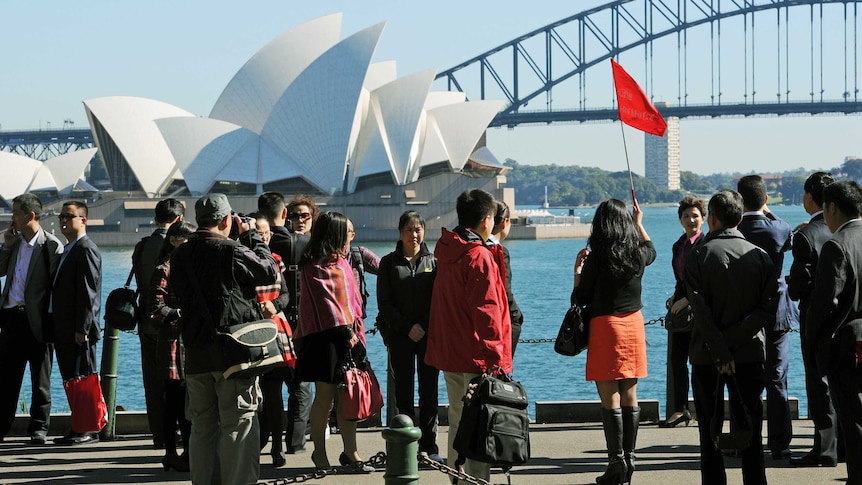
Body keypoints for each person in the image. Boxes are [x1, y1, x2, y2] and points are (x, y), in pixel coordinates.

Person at [169, 194, 279, 485]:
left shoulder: (179, 254)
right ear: (227, 220)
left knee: (202, 426)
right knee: (239, 423)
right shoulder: (232, 250)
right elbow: (269, 274)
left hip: (195, 351)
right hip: (233, 352)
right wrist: (254, 237)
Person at [685, 190, 777, 485]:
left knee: (709, 433)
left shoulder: (698, 255)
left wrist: (721, 350)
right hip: (749, 352)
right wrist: (734, 342)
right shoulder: (761, 257)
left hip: (706, 354)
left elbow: (699, 310)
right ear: (739, 218)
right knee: (750, 427)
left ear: (711, 218)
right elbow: (767, 310)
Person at [425, 189, 512, 484]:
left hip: (449, 351)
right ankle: (475, 479)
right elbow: (487, 312)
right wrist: (495, 358)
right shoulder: (478, 256)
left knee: (458, 418)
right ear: (487, 220)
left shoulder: (447, 250)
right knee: (478, 423)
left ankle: (457, 476)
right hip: (476, 354)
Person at [573, 198, 655, 485]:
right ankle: (630, 458)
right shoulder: (636, 254)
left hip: (605, 327)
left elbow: (581, 299)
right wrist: (639, 224)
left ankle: (615, 462)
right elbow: (651, 250)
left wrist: (577, 274)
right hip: (633, 325)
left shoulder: (597, 258)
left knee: (610, 399)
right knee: (630, 395)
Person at [294, 211, 375, 473]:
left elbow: (350, 304)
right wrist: (346, 331)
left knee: (347, 394)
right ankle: (320, 453)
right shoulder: (313, 266)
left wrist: (353, 334)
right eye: (346, 232)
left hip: (349, 337)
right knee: (325, 397)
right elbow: (325, 308)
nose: (350, 237)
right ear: (334, 234)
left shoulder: (341, 263)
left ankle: (351, 451)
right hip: (324, 340)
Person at [736, 174, 794, 459]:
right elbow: (786, 231)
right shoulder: (779, 229)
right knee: (776, 377)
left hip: (742, 313)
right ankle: (780, 442)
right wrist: (770, 212)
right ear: (766, 199)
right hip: (777, 311)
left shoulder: (734, 231)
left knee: (742, 377)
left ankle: (743, 437)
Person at [808, 180, 862, 485]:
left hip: (847, 347)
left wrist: (814, 345)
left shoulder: (837, 245)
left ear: (831, 208)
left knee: (853, 423)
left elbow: (823, 304)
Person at [376, 210, 441, 463]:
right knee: (403, 393)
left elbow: (438, 300)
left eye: (418, 229)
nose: (414, 235)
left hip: (427, 336)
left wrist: (422, 326)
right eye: (408, 230)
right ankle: (405, 444)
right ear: (400, 232)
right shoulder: (389, 263)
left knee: (429, 392)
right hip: (400, 337)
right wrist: (406, 327)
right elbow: (384, 303)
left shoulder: (434, 262)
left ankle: (429, 446)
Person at [787, 171, 841, 467]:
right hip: (846, 317)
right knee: (842, 382)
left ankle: (824, 448)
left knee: (817, 382)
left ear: (809, 197)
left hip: (815, 318)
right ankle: (845, 444)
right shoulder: (845, 230)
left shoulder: (806, 234)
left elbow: (798, 287)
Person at [0, 194, 64, 445]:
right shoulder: (14, 242)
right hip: (11, 319)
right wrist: (5, 245)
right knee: (6, 379)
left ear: (31, 216)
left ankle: (39, 428)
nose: (11, 217)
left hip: (38, 321)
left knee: (41, 380)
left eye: (15, 213)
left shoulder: (51, 246)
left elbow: (56, 288)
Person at [257, 192, 311, 456]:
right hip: (300, 322)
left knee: (270, 385)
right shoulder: (307, 244)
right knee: (301, 385)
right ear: (285, 214)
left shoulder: (255, 247)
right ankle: (296, 442)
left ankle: (267, 439)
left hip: (265, 324)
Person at [132, 197, 184, 449]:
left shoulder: (142, 246)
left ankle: (159, 435)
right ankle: (180, 432)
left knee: (152, 383)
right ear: (180, 219)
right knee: (177, 381)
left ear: (155, 219)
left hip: (147, 322)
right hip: (174, 327)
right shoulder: (181, 246)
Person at [50, 201, 103, 445]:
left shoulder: (85, 249)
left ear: (83, 220)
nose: (63, 220)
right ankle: (78, 425)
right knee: (72, 379)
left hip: (77, 330)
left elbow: (88, 293)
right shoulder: (69, 248)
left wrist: (82, 329)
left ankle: (89, 429)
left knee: (83, 377)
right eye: (61, 216)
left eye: (69, 216)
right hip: (64, 328)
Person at [149, 221, 196, 472]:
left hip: (188, 340)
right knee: (174, 400)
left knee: (189, 399)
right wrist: (179, 312)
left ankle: (188, 450)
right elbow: (155, 308)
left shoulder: (190, 266)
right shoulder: (163, 268)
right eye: (186, 239)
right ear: (175, 240)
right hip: (172, 341)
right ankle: (170, 451)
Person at [252, 214, 293, 468]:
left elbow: (287, 293)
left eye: (266, 232)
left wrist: (275, 305)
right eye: (258, 231)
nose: (263, 236)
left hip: (276, 329)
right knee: (254, 395)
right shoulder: (241, 261)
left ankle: (277, 446)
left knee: (274, 393)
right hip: (250, 330)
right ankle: (256, 443)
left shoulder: (277, 261)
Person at [661, 197, 706, 428]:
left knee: (699, 362)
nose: (691, 220)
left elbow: (706, 281)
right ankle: (680, 410)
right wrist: (676, 296)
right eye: (686, 216)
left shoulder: (706, 244)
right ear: (680, 219)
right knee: (676, 361)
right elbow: (682, 278)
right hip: (682, 312)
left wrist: (687, 299)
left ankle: (703, 409)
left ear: (704, 218)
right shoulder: (679, 245)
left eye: (695, 216)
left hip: (701, 312)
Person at [490, 200, 524, 356]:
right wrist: (516, 314)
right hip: (497, 316)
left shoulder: (473, 247)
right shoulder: (500, 252)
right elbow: (505, 289)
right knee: (516, 320)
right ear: (504, 222)